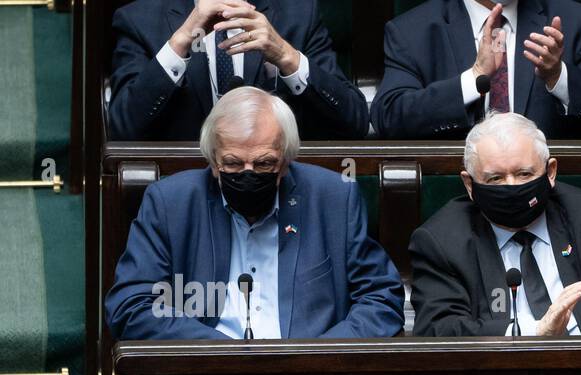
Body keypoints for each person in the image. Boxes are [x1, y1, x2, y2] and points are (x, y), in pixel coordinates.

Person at [106, 87, 404, 340]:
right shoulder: (171, 203)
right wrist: (222, 354)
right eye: (233, 164)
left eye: (263, 164)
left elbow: (381, 299)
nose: (248, 175)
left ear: (286, 162)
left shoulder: (332, 198)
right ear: (212, 162)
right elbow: (131, 305)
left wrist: (316, 357)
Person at [408, 112, 581, 336]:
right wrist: (533, 333)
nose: (511, 188)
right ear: (469, 185)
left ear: (550, 172)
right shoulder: (440, 241)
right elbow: (438, 328)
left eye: (524, 174)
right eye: (496, 179)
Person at [371, 0, 581, 139]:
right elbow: (389, 117)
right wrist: (474, 78)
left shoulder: (571, 19)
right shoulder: (413, 30)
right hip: (457, 196)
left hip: (550, 192)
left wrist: (559, 76)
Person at [107, 0, 369, 140]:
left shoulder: (299, 13)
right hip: (184, 192)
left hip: (277, 185)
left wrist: (286, 56)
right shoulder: (139, 18)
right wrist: (179, 43)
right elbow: (123, 128)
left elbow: (353, 121)